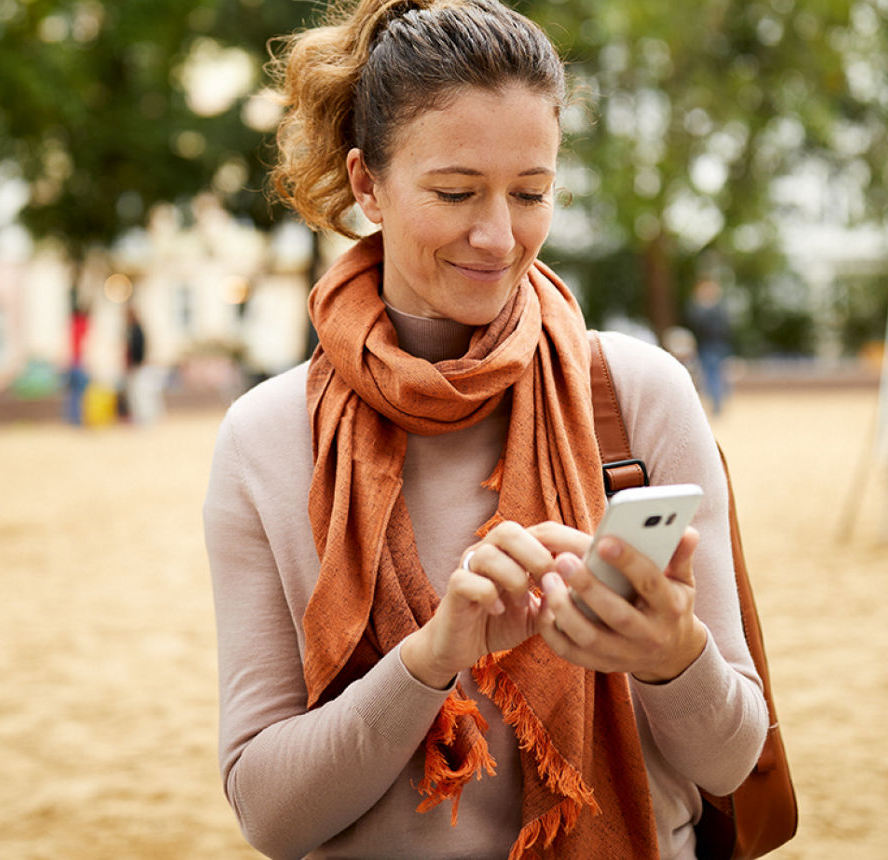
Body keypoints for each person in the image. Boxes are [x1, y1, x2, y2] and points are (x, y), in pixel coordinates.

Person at [202, 2, 767, 858]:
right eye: (456, 192)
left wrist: (671, 654)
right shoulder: (267, 438)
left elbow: (730, 763)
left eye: (531, 193)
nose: (499, 237)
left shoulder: (638, 393)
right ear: (367, 185)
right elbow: (272, 818)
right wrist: (432, 659)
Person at [684, 276, 732, 416]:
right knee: (713, 374)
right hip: (713, 345)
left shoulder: (710, 309)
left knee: (712, 375)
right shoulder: (718, 308)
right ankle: (717, 404)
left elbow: (699, 324)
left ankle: (717, 405)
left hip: (712, 345)